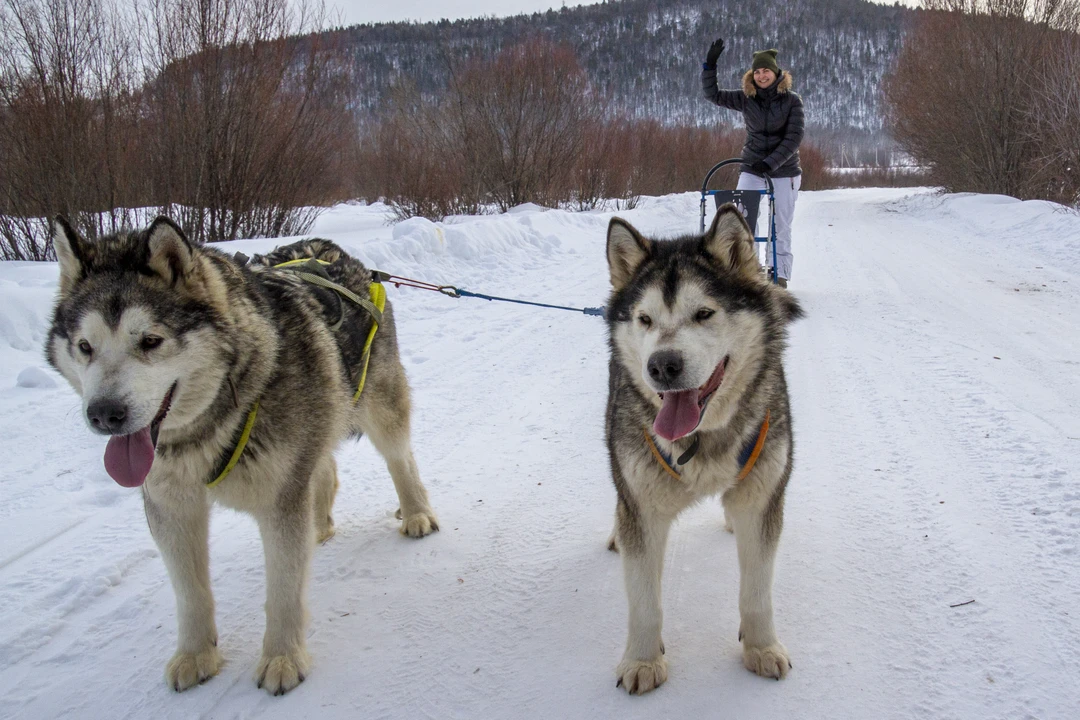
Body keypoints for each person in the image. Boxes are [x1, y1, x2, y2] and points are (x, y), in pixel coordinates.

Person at [702, 40, 804, 287]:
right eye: (757, 72)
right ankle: (748, 270)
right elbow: (712, 95)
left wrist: (771, 163)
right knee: (743, 219)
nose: (762, 75)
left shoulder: (792, 101)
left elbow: (794, 138)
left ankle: (778, 273)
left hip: (784, 170)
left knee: (779, 224)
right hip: (752, 167)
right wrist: (710, 65)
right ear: (752, 75)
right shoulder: (747, 98)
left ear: (776, 72)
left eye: (766, 70)